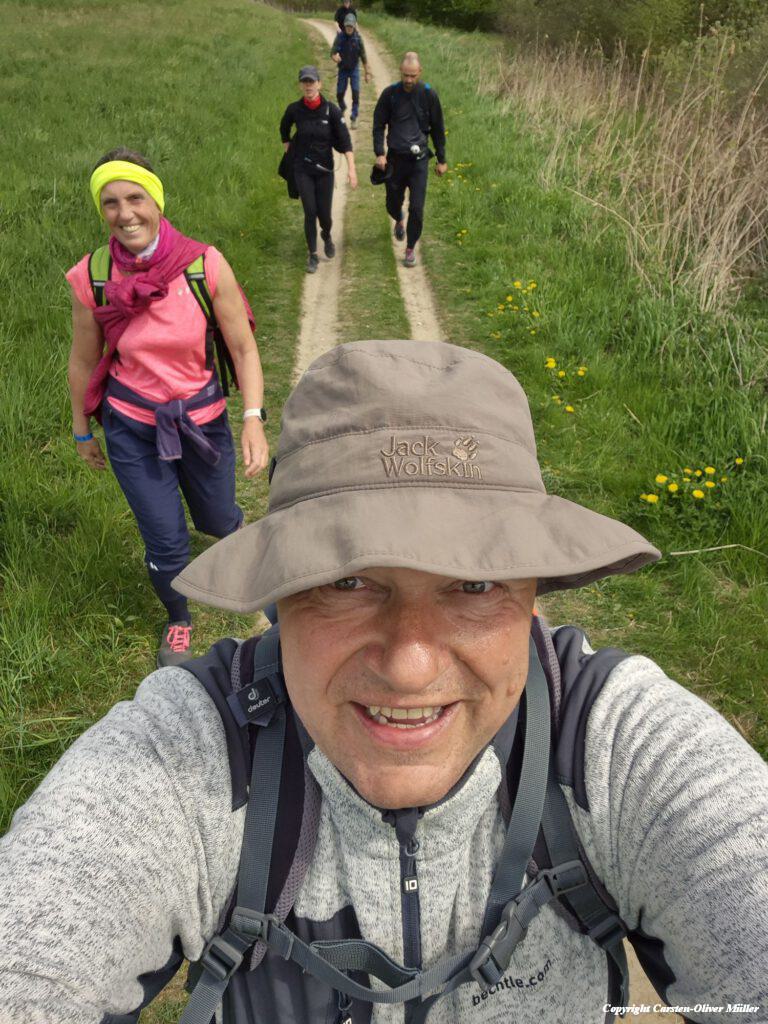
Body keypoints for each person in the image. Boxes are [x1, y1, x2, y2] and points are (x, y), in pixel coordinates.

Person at [1, 340, 767, 1022]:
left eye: (474, 585)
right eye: (348, 582)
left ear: (533, 592)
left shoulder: (616, 749)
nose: (409, 665)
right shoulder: (187, 755)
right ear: (279, 593)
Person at [65, 148, 269, 667]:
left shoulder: (203, 265)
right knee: (165, 537)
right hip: (132, 427)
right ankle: (178, 617)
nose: (125, 213)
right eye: (110, 202)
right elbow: (83, 359)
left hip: (201, 422)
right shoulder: (93, 275)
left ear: (157, 201)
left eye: (135, 198)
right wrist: (82, 429)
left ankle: (245, 553)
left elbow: (243, 348)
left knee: (218, 519)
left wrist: (253, 418)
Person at [280, 66, 358, 273]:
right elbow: (284, 126)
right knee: (310, 211)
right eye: (305, 82)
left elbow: (345, 141)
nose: (308, 86)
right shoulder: (295, 109)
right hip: (302, 169)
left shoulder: (331, 110)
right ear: (301, 85)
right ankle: (313, 254)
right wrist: (287, 144)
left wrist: (351, 169)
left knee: (325, 215)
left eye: (312, 82)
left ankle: (326, 234)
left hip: (324, 171)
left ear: (319, 84)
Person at [373, 52, 447, 267]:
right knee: (392, 204)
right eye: (405, 75)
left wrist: (441, 159)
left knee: (417, 208)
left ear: (419, 72)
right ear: (400, 71)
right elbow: (378, 125)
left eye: (413, 76)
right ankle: (398, 218)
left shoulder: (429, 95)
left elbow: (438, 129)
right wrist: (380, 153)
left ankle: (410, 248)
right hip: (395, 160)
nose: (408, 80)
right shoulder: (390, 95)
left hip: (419, 161)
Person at [331, 12, 371, 130]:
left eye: (351, 26)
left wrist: (367, 73)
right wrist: (335, 57)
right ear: (344, 26)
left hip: (354, 70)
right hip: (343, 69)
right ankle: (342, 107)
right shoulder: (340, 37)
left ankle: (354, 117)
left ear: (354, 26)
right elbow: (332, 52)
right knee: (339, 94)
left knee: (355, 93)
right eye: (347, 26)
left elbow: (364, 57)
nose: (349, 28)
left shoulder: (358, 39)